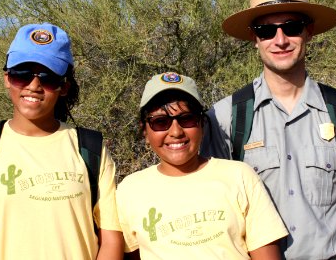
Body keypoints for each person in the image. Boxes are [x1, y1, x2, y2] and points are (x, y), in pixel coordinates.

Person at [200, 0, 336, 260]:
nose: (280, 40)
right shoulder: (227, 117)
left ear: (308, 31)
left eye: (292, 27)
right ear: (254, 38)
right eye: (266, 31)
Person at [0, 23, 123, 260]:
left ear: (64, 87)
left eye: (48, 78)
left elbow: (111, 238)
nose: (34, 85)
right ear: (7, 78)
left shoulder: (91, 149)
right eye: (22, 74)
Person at [116, 72, 288, 260]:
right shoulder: (130, 190)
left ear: (202, 124)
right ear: (145, 130)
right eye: (160, 122)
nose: (176, 132)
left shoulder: (240, 176)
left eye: (187, 118)